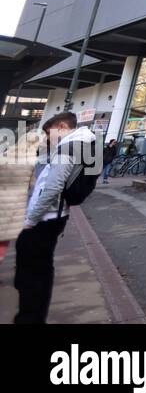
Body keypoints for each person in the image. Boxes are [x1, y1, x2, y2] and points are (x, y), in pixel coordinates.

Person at [13, 112, 98, 324]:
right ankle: (32, 317)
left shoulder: (69, 148)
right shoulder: (80, 145)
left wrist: (31, 220)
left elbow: (52, 187)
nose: (47, 138)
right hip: (53, 217)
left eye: (48, 133)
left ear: (61, 126)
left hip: (45, 219)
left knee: (33, 276)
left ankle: (30, 319)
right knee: (39, 271)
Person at [0, 124, 43, 278]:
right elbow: (33, 185)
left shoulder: (6, 155)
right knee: (3, 239)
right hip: (15, 204)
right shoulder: (31, 162)